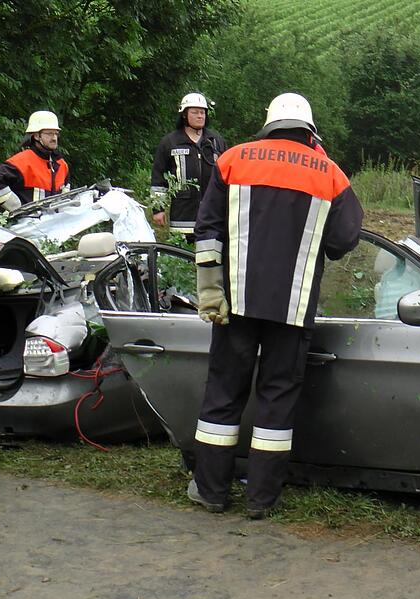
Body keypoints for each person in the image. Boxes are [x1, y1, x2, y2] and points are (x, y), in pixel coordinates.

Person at [190, 92, 363, 519]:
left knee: (223, 393)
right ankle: (261, 500)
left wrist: (209, 289)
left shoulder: (232, 159)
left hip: (235, 303)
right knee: (277, 398)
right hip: (293, 307)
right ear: (309, 130)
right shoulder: (330, 173)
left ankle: (211, 491)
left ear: (269, 124)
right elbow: (344, 239)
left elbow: (207, 229)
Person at [150, 93, 228, 238]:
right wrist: (158, 209)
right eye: (195, 112)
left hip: (212, 215)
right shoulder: (170, 142)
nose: (200, 116)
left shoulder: (216, 141)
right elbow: (158, 178)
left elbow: (227, 175)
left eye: (202, 112)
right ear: (184, 115)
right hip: (182, 215)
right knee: (181, 251)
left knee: (211, 250)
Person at [0, 110, 70, 211]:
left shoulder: (61, 164)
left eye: (56, 133)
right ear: (36, 136)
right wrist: (17, 208)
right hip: (28, 221)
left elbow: (66, 195)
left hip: (56, 220)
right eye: (49, 133)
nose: (54, 138)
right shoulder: (22, 162)